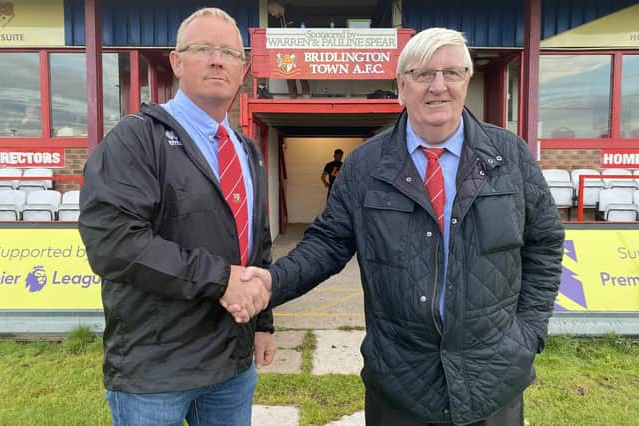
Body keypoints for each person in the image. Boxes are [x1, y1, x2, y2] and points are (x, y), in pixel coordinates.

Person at [236, 27, 565, 425]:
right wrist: (271, 284)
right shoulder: (366, 166)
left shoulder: (509, 156)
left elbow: (544, 243)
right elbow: (326, 245)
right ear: (401, 85)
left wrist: (528, 333)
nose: (438, 86)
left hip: (493, 380)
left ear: (466, 80)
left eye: (452, 73)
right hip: (399, 384)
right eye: (423, 74)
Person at [78, 8, 275, 426]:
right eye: (203, 49)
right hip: (157, 369)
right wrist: (220, 279)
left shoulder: (247, 150)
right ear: (177, 61)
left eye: (229, 52)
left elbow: (257, 242)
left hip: (232, 368)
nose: (218, 60)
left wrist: (263, 324)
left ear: (242, 68)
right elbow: (114, 243)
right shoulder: (135, 139)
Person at [267, 0, 311, 98]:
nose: (273, 15)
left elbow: (304, 26)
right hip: (286, 52)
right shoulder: (276, 20)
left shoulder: (293, 12)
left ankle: (307, 99)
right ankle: (293, 100)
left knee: (303, 74)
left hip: (299, 50)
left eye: (273, 11)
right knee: (289, 76)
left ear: (276, 5)